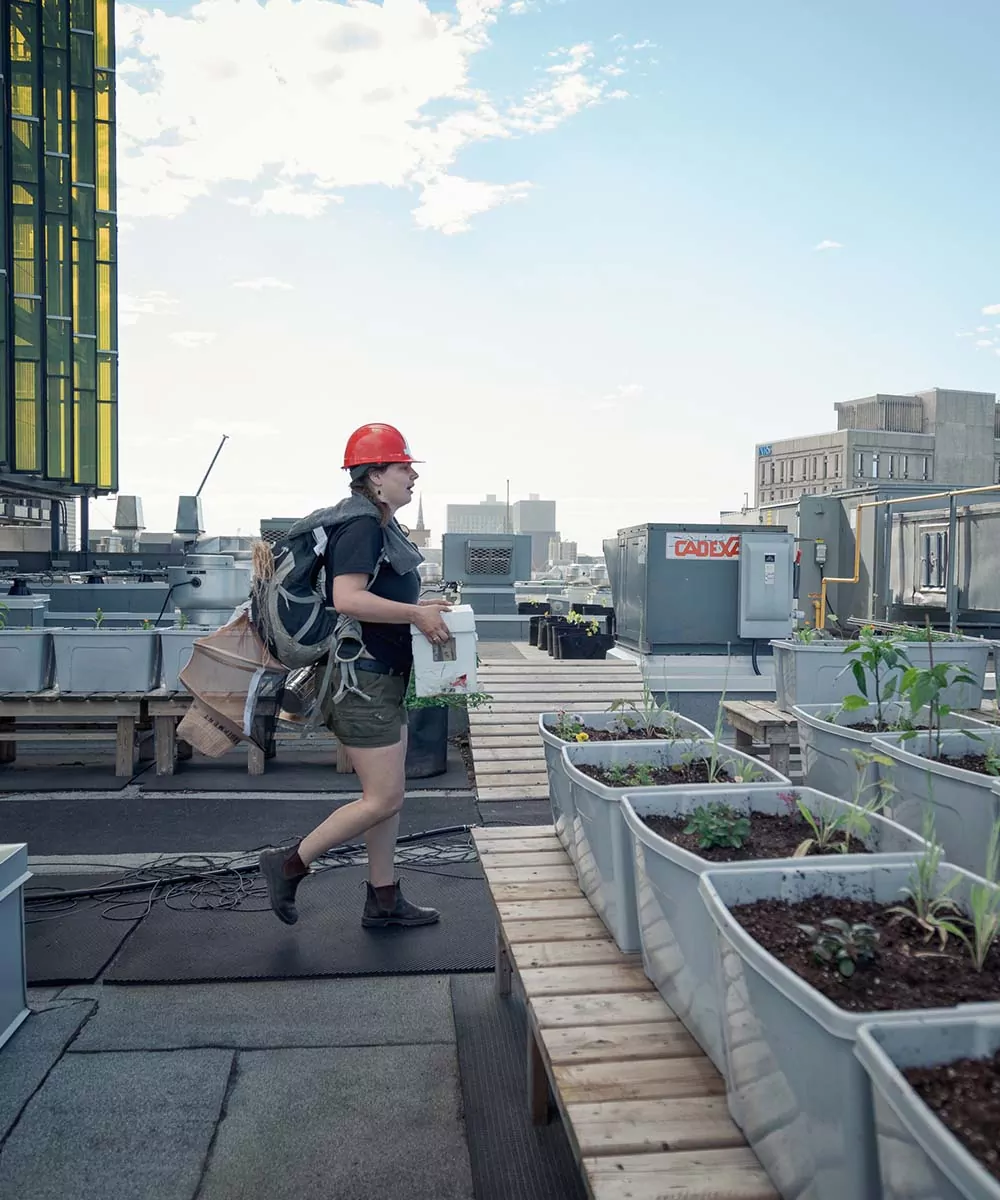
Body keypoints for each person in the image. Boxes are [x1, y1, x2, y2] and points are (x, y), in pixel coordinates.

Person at [258, 423, 452, 928]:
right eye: (403, 466)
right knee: (383, 797)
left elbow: (374, 595)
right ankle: (288, 863)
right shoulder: (362, 525)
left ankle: (384, 898)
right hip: (360, 679)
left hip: (379, 674)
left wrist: (416, 605)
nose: (413, 475)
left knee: (388, 799)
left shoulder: (376, 523)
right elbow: (347, 599)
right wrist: (415, 615)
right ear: (374, 475)